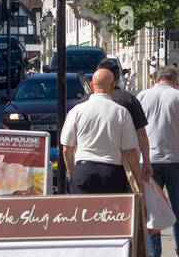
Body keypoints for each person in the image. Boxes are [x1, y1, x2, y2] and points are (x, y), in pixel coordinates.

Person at [137, 65, 179, 257]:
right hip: (175, 159)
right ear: (174, 79)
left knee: (151, 208)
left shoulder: (143, 95)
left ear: (157, 78)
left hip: (148, 159)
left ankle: (153, 255)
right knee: (178, 206)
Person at [60, 67, 149, 196]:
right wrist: (138, 182)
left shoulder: (76, 111)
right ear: (113, 85)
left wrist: (73, 172)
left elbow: (66, 149)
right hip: (112, 173)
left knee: (83, 214)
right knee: (111, 214)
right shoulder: (121, 113)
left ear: (91, 85)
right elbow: (130, 152)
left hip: (83, 171)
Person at [97, 58, 152, 179]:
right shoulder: (129, 100)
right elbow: (141, 134)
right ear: (117, 79)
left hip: (89, 166)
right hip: (122, 166)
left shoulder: (83, 103)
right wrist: (146, 162)